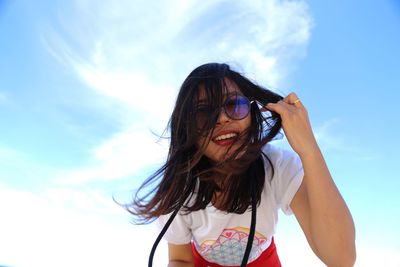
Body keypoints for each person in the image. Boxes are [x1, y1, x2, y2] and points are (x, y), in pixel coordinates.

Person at [129, 63, 356, 267]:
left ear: (252, 114)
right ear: (188, 130)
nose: (222, 118)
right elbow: (180, 259)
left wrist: (310, 151)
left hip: (262, 261)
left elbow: (340, 259)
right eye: (203, 112)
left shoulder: (277, 166)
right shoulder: (179, 188)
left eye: (234, 104)